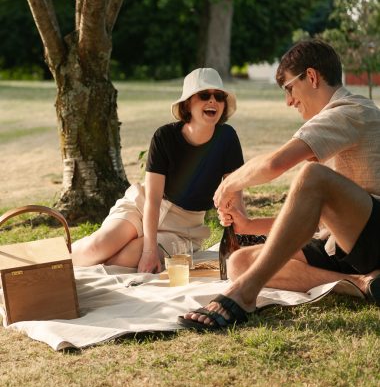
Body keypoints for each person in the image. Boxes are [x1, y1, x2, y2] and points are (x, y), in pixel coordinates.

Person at [179, 39, 380, 331]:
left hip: (373, 234)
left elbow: (275, 164)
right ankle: (361, 283)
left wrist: (229, 184)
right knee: (238, 263)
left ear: (311, 77)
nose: (289, 101)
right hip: (350, 248)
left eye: (289, 88)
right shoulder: (338, 126)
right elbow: (310, 222)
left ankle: (243, 295)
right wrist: (247, 225)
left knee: (312, 176)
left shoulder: (349, 111)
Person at [72, 68, 243, 272]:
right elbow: (152, 200)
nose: (213, 101)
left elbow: (235, 194)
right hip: (143, 206)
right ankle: (49, 259)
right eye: (204, 95)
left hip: (184, 227)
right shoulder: (164, 137)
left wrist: (242, 236)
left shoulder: (227, 138)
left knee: (122, 259)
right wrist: (149, 250)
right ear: (188, 103)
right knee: (95, 249)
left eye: (219, 96)